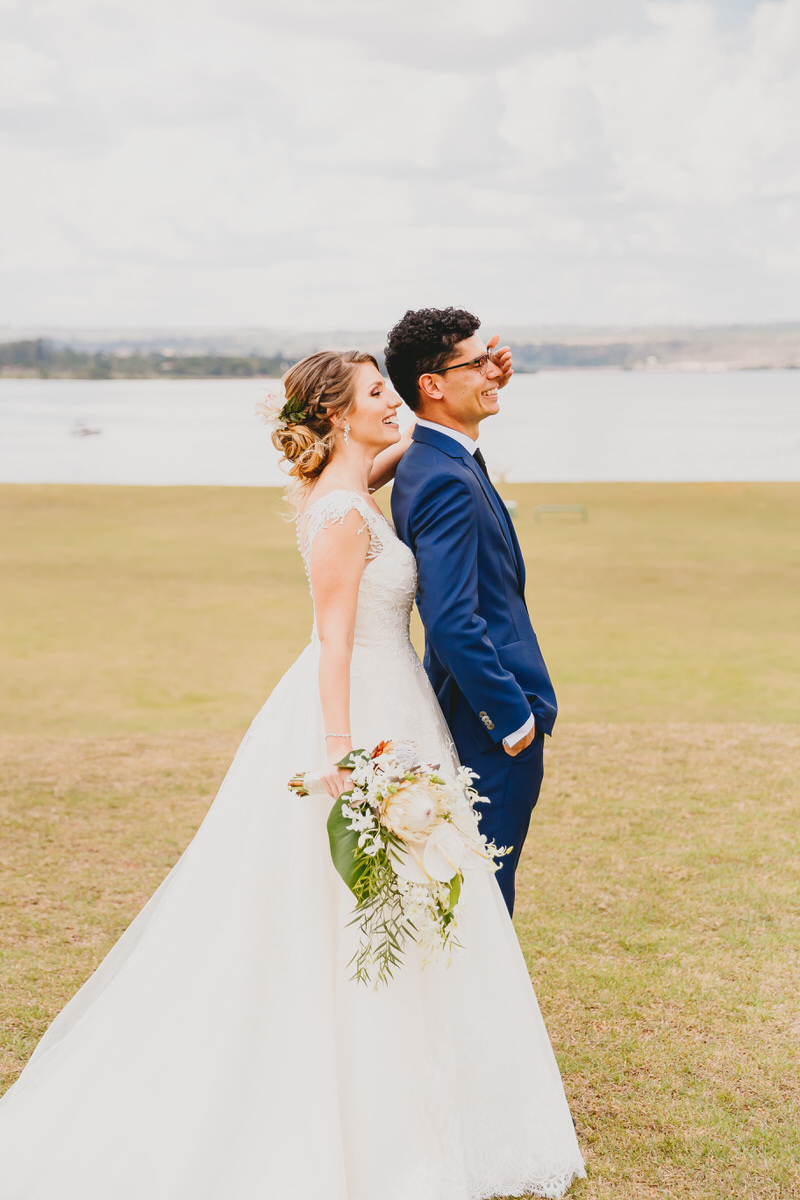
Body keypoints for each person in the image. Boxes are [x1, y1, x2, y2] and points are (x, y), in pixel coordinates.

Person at [0, 350, 584, 1200]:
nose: (390, 404)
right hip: (362, 711)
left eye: (391, 386)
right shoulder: (343, 515)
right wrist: (345, 754)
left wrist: (452, 385)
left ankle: (428, 1085)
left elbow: (423, 442)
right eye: (376, 393)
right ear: (339, 416)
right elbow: (336, 643)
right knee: (351, 902)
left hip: (400, 703)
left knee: (413, 898)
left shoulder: (357, 480)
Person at [387, 307, 557, 917]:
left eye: (490, 358)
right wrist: (511, 720)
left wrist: (481, 386)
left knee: (467, 887)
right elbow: (453, 617)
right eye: (475, 361)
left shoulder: (443, 456)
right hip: (488, 721)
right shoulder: (442, 479)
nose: (493, 369)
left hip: (473, 711)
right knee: (484, 894)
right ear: (431, 385)